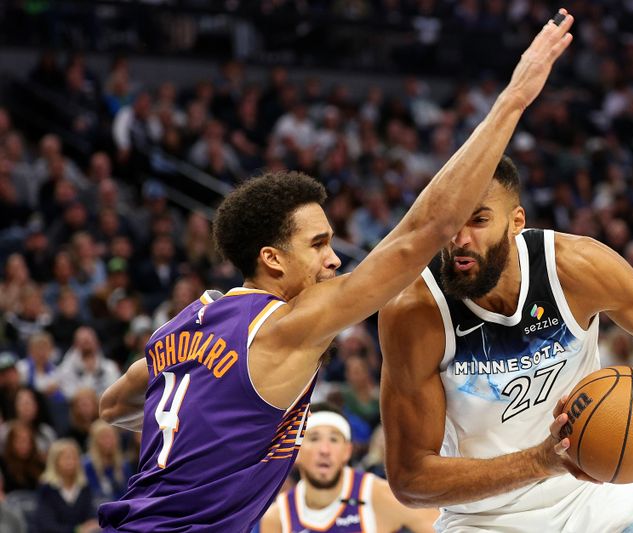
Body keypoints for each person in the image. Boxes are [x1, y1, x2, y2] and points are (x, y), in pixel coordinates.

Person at [96, 11, 576, 532]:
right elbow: (427, 231)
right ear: (272, 258)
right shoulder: (284, 325)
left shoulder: (184, 325)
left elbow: (114, 405)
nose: (334, 259)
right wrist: (513, 100)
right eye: (318, 244)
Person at [378, 156, 633, 532]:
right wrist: (540, 461)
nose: (460, 239)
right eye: (449, 222)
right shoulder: (415, 311)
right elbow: (410, 480)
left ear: (516, 221)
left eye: (479, 220)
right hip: (486, 518)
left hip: (601, 493)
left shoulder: (575, 267)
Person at [260, 404, 438, 532]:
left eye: (334, 439)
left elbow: (440, 525)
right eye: (314, 439)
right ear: (296, 452)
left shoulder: (378, 496)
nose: (325, 450)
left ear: (347, 451)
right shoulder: (277, 516)